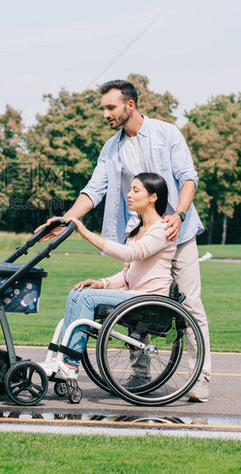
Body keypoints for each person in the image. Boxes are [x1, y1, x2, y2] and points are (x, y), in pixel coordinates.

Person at [36, 79, 211, 402]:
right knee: (134, 295)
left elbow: (188, 177)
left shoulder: (166, 133)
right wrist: (65, 221)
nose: (105, 114)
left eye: (110, 107)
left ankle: (200, 377)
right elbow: (94, 190)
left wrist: (180, 214)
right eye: (103, 108)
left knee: (191, 307)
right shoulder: (111, 148)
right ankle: (140, 373)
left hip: (177, 232)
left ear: (130, 105)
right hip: (139, 233)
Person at [40, 173, 176, 380]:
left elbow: (131, 254)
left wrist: (85, 233)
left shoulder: (163, 230)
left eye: (136, 190)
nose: (129, 195)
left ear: (153, 197)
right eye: (130, 189)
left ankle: (70, 362)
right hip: (132, 295)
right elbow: (127, 274)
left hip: (149, 299)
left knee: (87, 298)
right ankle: (61, 358)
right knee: (79, 292)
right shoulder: (137, 230)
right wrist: (101, 283)